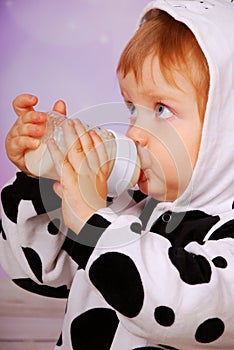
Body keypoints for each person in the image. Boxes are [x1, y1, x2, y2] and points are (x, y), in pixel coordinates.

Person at [1, 0, 234, 349]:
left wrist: (95, 223)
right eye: (131, 108)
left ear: (225, 125)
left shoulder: (227, 231)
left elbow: (188, 307)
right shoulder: (128, 206)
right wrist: (43, 179)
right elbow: (38, 272)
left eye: (161, 109)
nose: (135, 131)